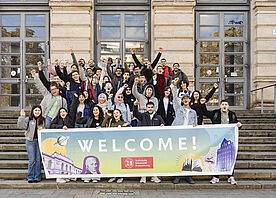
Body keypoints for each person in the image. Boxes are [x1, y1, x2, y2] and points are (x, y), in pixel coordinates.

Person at [208, 100, 242, 185]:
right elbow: (205, 113)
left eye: (226, 104)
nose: (224, 106)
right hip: (218, 138)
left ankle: (230, 176)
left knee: (230, 156)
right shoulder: (215, 113)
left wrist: (239, 125)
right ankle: (216, 176)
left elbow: (235, 125)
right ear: (220, 106)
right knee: (217, 156)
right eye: (222, 104)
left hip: (229, 139)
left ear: (228, 106)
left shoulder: (232, 114)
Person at [133, 101, 164, 183]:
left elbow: (163, 124)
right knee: (144, 159)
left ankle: (154, 176)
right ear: (146, 108)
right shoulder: (143, 116)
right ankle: (143, 177)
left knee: (154, 159)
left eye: (151, 107)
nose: (150, 109)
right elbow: (135, 114)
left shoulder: (159, 117)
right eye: (148, 107)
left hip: (154, 141)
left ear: (154, 108)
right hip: (144, 142)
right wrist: (135, 106)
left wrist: (162, 125)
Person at [171, 92, 198, 184]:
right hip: (179, 134)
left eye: (187, 98)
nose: (186, 100)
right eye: (184, 99)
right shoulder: (178, 109)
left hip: (189, 135)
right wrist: (174, 87)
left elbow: (195, 123)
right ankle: (177, 175)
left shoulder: (193, 112)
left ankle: (188, 175)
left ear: (190, 100)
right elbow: (175, 101)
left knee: (189, 155)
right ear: (182, 101)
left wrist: (195, 125)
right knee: (178, 154)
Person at [17, 105, 45, 183]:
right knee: (32, 160)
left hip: (39, 141)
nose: (37, 112)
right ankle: (30, 176)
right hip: (30, 141)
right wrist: (22, 117)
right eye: (35, 110)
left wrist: (42, 129)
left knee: (38, 159)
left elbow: (46, 129)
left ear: (41, 111)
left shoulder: (43, 120)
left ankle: (37, 177)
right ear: (32, 111)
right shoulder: (28, 119)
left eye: (39, 110)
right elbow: (21, 126)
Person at [101, 109, 130, 183]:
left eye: (117, 112)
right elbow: (103, 125)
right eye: (114, 113)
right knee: (112, 160)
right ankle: (113, 176)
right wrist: (107, 116)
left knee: (119, 160)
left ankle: (120, 177)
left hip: (120, 145)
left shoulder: (123, 123)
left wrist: (127, 126)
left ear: (120, 114)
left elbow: (129, 133)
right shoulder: (110, 122)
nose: (115, 114)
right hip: (111, 144)